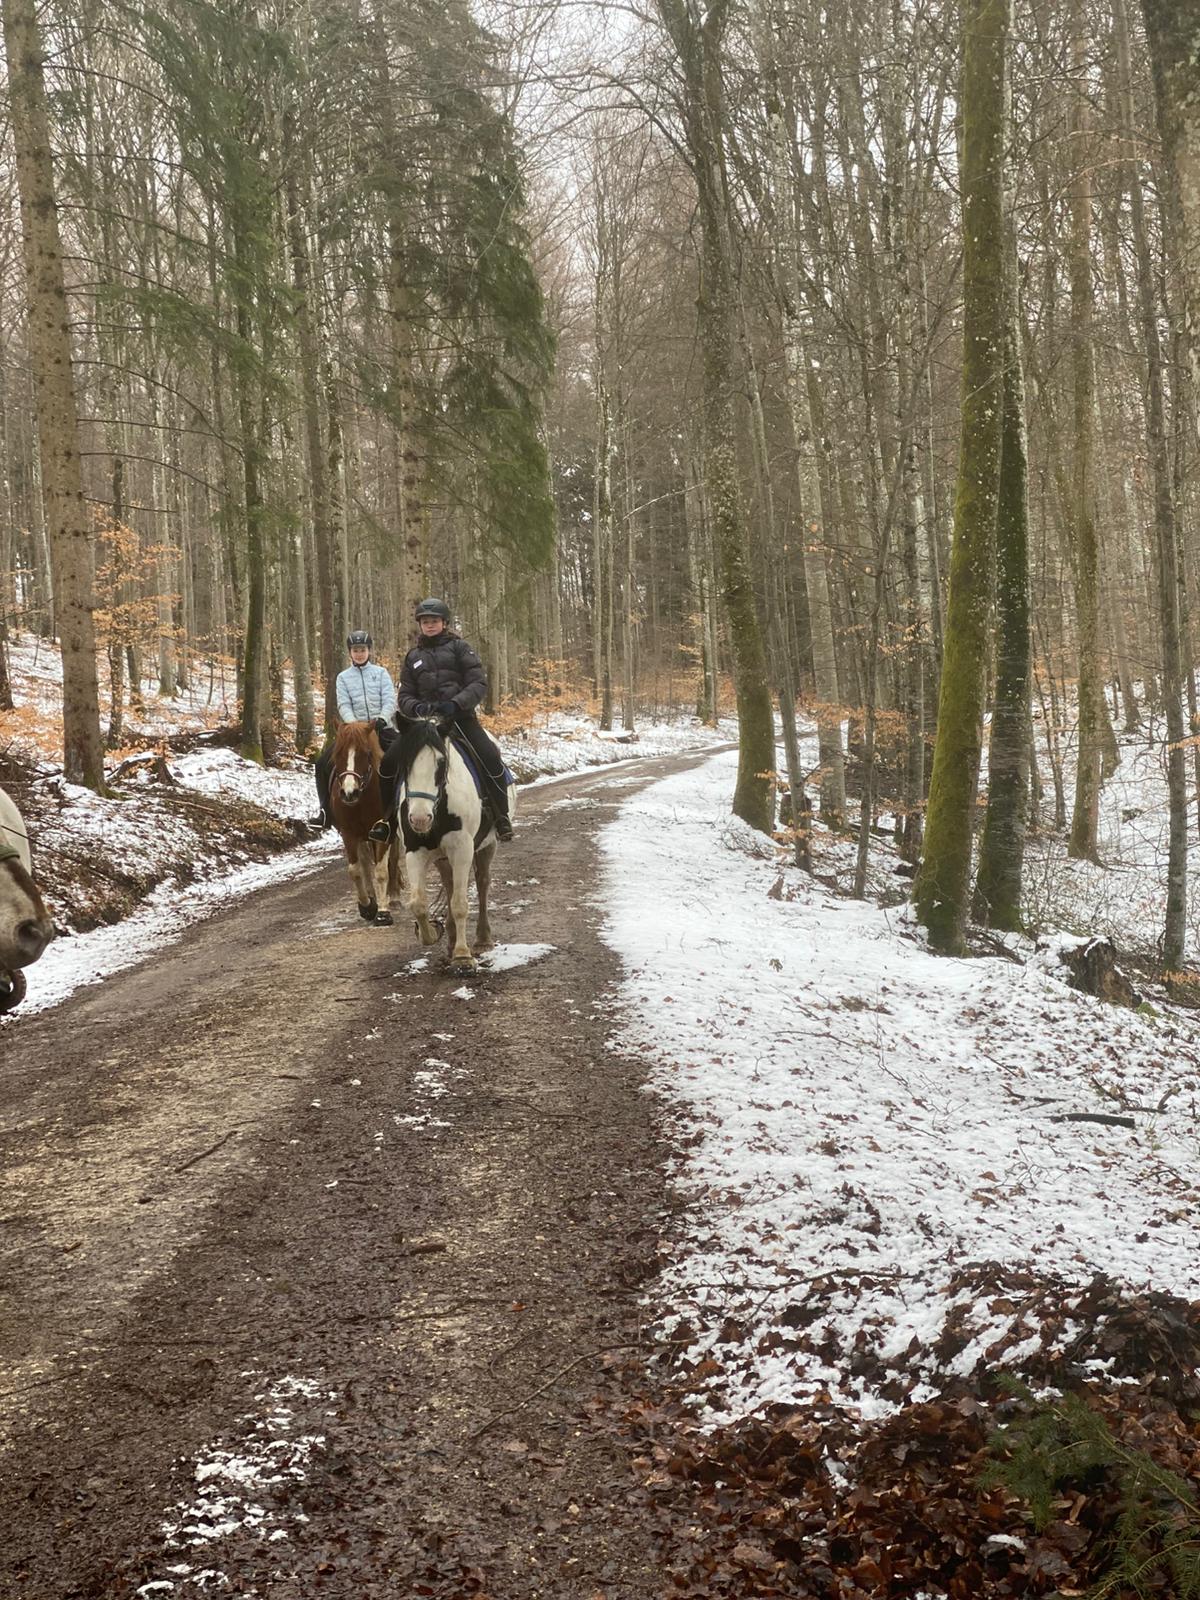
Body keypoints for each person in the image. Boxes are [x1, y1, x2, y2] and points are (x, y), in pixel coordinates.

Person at [370, 598, 513, 843]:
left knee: (489, 755)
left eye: (434, 621)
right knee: (388, 763)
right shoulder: (413, 656)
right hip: (423, 723)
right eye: (425, 621)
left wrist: (456, 703)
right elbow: (404, 694)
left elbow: (478, 683)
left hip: (459, 719)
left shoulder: (461, 648)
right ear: (420, 625)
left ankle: (501, 816)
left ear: (444, 623)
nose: (430, 625)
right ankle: (388, 821)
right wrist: (416, 707)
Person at [308, 630, 397, 830]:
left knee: (403, 758)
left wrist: (382, 718)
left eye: (362, 650)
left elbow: (389, 699)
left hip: (381, 727)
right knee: (322, 764)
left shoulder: (381, 673)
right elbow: (344, 704)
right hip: (353, 732)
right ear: (350, 652)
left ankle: (400, 809)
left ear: (369, 651)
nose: (359, 653)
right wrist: (355, 726)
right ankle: (325, 811)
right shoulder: (343, 678)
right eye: (355, 650)